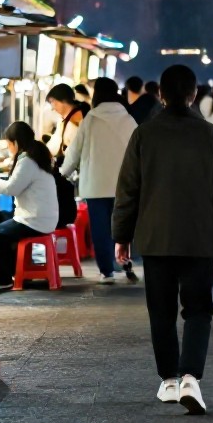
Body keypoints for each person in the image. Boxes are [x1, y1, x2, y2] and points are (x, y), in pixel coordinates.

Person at [113, 64, 213, 414]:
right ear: (193, 95)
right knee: (198, 309)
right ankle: (190, 379)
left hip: (155, 239)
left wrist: (121, 235)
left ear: (160, 94)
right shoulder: (211, 135)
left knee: (161, 310)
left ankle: (168, 380)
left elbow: (128, 190)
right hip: (200, 239)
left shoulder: (144, 135)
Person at [60, 78, 138, 283]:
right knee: (122, 227)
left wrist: (62, 173)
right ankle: (125, 262)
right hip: (124, 185)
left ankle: (106, 271)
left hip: (95, 184)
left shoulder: (91, 119)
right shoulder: (128, 119)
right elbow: (140, 151)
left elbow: (74, 151)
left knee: (101, 230)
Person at [0, 121, 60, 289]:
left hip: (34, 220)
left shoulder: (27, 161)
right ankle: (14, 269)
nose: (8, 148)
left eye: (8, 144)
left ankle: (2, 278)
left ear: (15, 142)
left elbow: (10, 189)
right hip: (40, 217)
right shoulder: (35, 155)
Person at [45, 83, 86, 162]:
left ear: (63, 100)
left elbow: (74, 153)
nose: (52, 108)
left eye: (53, 101)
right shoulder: (63, 120)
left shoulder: (77, 120)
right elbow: (55, 142)